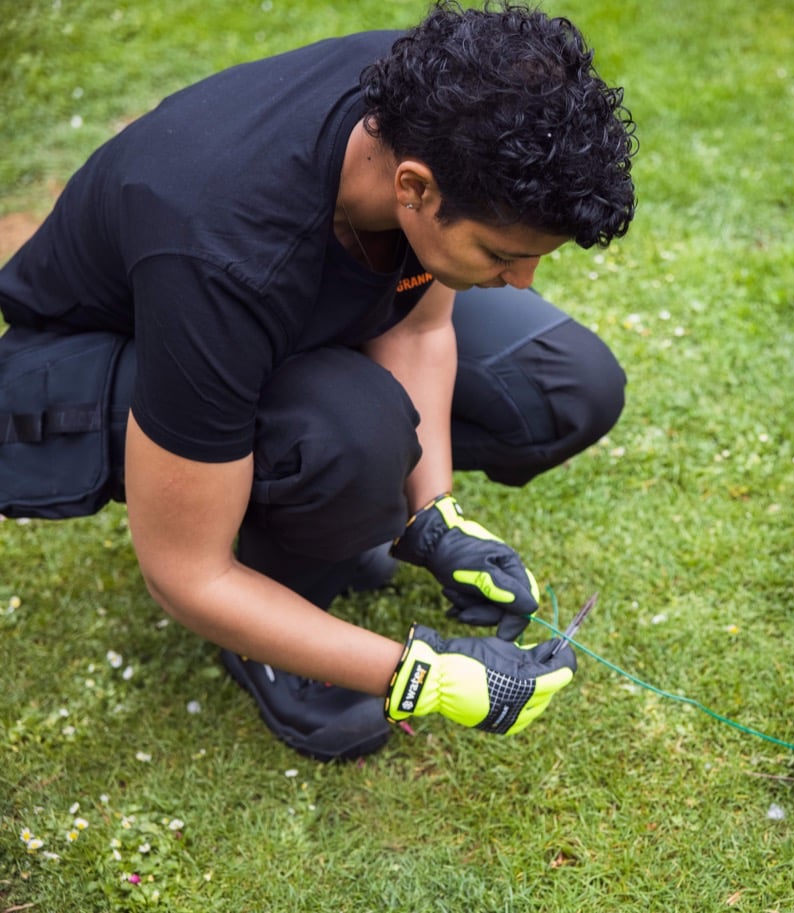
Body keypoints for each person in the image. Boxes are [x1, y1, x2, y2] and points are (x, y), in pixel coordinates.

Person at [0, 1, 637, 760]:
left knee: (567, 384)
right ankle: (277, 614)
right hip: (100, 361)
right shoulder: (220, 252)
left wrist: (433, 514)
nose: (524, 281)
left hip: (271, 312)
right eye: (504, 252)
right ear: (414, 190)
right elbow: (183, 573)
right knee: (347, 432)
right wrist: (423, 674)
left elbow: (421, 324)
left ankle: (332, 518)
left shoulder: (446, 111)